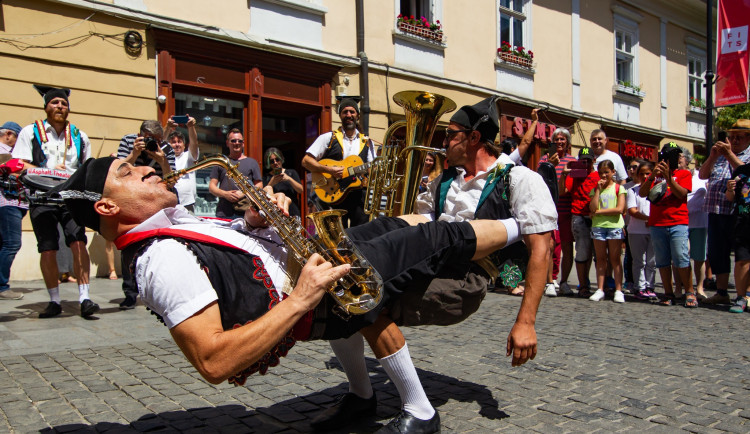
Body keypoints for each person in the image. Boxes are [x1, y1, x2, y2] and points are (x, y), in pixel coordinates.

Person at [52, 155, 530, 434]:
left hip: (312, 257)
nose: (147, 168)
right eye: (129, 172)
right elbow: (214, 363)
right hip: (311, 282)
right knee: (436, 239)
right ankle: (525, 226)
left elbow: (232, 248)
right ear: (108, 206)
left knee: (399, 229)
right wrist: (302, 297)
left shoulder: (174, 227)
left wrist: (256, 221)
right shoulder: (160, 258)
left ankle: (363, 400)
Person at [312, 96, 555, 433]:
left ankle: (420, 410)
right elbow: (419, 222)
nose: (443, 142)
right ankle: (360, 396)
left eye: (450, 135)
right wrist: (380, 237)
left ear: (473, 138)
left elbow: (542, 249)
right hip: (426, 259)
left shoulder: (521, 179)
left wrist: (526, 322)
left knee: (364, 298)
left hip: (465, 278)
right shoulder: (444, 180)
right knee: (342, 289)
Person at [12, 85, 97, 318]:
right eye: (55, 103)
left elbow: (86, 168)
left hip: (70, 197)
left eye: (64, 103)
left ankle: (85, 298)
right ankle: (54, 300)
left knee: (78, 242)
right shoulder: (30, 132)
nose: (60, 106)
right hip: (42, 197)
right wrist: (47, 169)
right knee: (47, 248)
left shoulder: (81, 136)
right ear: (46, 106)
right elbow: (18, 165)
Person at [117, 120, 177, 310]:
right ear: (140, 135)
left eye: (157, 140)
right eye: (150, 139)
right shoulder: (128, 141)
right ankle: (130, 292)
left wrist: (162, 161)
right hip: (131, 198)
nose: (154, 144)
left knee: (163, 244)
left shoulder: (166, 148)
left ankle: (162, 289)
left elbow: (173, 180)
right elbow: (118, 171)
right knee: (129, 244)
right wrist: (134, 153)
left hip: (157, 198)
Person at [302, 98, 376, 227]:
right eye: (345, 112)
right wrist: (329, 170)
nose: (349, 115)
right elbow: (306, 161)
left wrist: (378, 169)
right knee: (336, 237)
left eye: (352, 112)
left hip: (359, 195)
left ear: (357, 115)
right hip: (334, 195)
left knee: (360, 234)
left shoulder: (367, 142)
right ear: (340, 115)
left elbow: (372, 170)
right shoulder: (328, 138)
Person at [699, 119, 750, 305]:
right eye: (732, 137)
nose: (734, 141)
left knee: (742, 255)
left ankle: (744, 294)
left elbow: (745, 170)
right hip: (715, 209)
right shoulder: (720, 156)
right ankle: (721, 291)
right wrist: (713, 156)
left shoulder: (747, 154)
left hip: (739, 213)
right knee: (717, 252)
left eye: (739, 137)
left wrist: (728, 154)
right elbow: (702, 175)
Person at [639, 142, 696, 308]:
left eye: (674, 155)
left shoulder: (684, 174)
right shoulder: (656, 175)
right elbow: (643, 193)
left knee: (681, 257)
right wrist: (652, 176)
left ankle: (689, 292)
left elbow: (681, 194)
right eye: (667, 155)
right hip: (657, 223)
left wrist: (669, 177)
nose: (670, 159)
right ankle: (668, 293)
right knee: (662, 260)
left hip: (678, 221)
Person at [537, 127, 577, 296]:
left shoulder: (572, 160)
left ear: (567, 142)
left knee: (567, 247)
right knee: (550, 247)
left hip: (566, 210)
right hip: (548, 209)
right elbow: (538, 182)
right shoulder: (544, 160)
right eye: (557, 139)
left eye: (563, 139)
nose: (560, 142)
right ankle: (549, 281)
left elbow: (573, 187)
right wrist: (550, 166)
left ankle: (564, 281)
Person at [559, 147, 599, 297]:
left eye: (589, 160)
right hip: (579, 216)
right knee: (582, 251)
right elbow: (562, 191)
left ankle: (601, 286)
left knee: (599, 254)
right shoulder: (575, 175)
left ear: (594, 160)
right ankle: (583, 285)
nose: (586, 163)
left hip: (596, 217)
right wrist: (564, 174)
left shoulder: (598, 175)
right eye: (583, 160)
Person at [588, 160, 627, 303]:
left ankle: (618, 290)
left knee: (615, 259)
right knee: (600, 259)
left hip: (614, 226)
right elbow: (592, 207)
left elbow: (619, 209)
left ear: (613, 172)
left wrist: (598, 212)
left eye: (607, 172)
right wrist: (597, 190)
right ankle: (600, 289)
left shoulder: (619, 188)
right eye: (601, 172)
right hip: (598, 227)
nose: (604, 175)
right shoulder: (596, 189)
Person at [674, 148, 708, 300]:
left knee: (699, 256)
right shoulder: (673, 176)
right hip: (680, 222)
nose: (678, 161)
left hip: (699, 222)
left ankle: (699, 287)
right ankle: (679, 287)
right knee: (680, 255)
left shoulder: (700, 177)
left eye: (680, 158)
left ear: (687, 160)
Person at [209, 128, 262, 219]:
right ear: (227, 143)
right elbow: (211, 187)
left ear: (243, 143)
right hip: (223, 213)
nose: (236, 143)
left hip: (246, 213)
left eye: (239, 141)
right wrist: (225, 194)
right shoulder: (221, 162)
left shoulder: (252, 163)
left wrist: (244, 193)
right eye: (233, 140)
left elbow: (259, 186)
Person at [0, 121, 26, 300]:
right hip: (7, 202)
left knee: (4, 243)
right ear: (8, 134)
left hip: (14, 202)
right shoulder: (5, 153)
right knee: (12, 243)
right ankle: (2, 286)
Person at [626, 160, 656, 300]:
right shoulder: (633, 190)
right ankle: (639, 287)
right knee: (639, 261)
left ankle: (650, 286)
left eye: (648, 173)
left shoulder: (657, 189)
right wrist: (647, 219)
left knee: (652, 261)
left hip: (654, 231)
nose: (645, 176)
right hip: (636, 231)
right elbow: (632, 210)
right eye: (642, 174)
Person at [725, 162, 750, 313]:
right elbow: (730, 198)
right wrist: (729, 189)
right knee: (742, 260)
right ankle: (740, 297)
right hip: (743, 221)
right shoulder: (741, 171)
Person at [167, 115, 200, 212]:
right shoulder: (165, 157)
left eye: (179, 142)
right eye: (173, 142)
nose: (177, 144)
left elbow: (194, 143)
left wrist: (191, 127)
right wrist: (168, 127)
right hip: (169, 203)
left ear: (184, 145)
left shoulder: (188, 157)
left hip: (187, 204)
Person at [263, 147, 303, 218]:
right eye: (272, 161)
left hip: (292, 213)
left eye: (277, 159)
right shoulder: (266, 177)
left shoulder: (291, 173)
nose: (275, 163)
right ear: (269, 163)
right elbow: (263, 195)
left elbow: (300, 190)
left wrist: (289, 179)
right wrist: (271, 183)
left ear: (281, 159)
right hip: (276, 215)